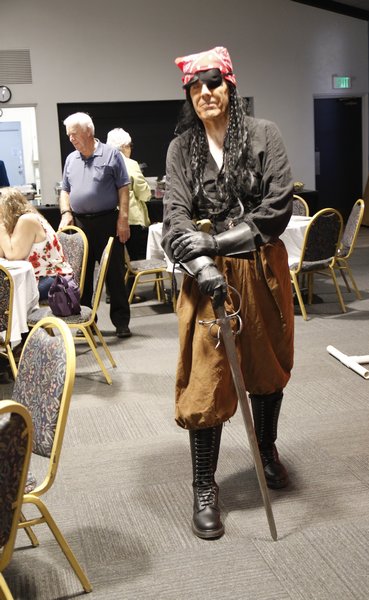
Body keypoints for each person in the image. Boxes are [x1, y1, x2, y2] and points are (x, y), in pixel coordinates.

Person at [161, 46, 294, 540]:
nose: (205, 93)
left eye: (213, 82)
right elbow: (175, 217)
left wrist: (217, 242)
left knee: (267, 366)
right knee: (207, 380)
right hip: (207, 278)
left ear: (230, 85)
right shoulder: (181, 149)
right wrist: (202, 263)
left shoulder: (264, 134)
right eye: (195, 87)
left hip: (261, 267)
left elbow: (277, 206)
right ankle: (203, 485)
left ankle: (266, 448)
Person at [59, 112, 132, 338]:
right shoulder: (71, 159)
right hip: (80, 224)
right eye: (68, 135)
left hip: (108, 220)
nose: (71, 138)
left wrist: (123, 219)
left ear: (88, 132)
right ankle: (87, 322)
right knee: (82, 275)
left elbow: (124, 188)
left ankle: (121, 322)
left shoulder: (111, 155)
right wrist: (65, 212)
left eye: (74, 134)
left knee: (114, 273)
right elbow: (65, 190)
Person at [0, 187, 72, 299]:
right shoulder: (18, 223)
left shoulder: (27, 220)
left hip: (53, 281)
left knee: (5, 296)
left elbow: (13, 256)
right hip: (39, 277)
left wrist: (1, 227)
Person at [106, 128, 151, 260]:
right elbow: (143, 193)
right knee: (137, 259)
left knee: (117, 260)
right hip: (132, 219)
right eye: (130, 146)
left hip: (110, 218)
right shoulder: (130, 164)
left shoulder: (105, 163)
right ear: (124, 146)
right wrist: (148, 192)